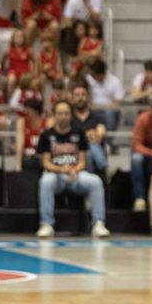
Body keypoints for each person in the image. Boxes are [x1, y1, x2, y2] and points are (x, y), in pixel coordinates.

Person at [35, 100, 110, 239]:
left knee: (95, 181)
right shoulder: (46, 135)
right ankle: (46, 224)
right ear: (54, 115)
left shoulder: (79, 133)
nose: (63, 116)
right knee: (45, 181)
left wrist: (74, 170)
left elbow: (82, 161)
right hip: (56, 176)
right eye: (60, 113)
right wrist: (60, 169)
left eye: (66, 113)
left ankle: (98, 223)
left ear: (71, 115)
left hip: (75, 175)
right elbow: (45, 163)